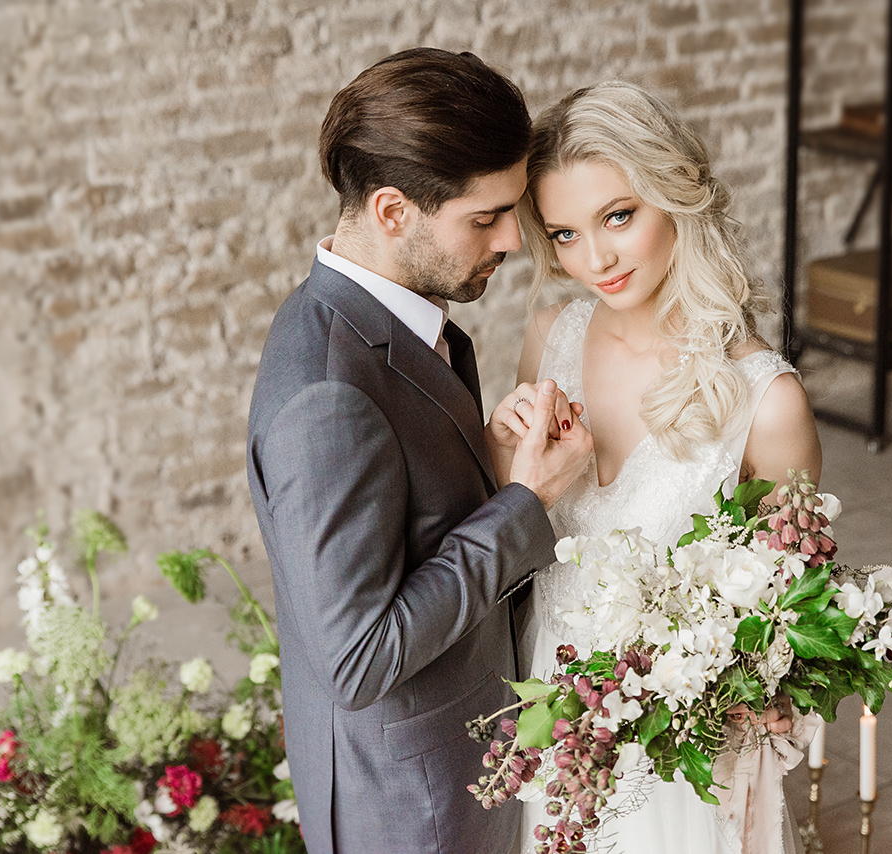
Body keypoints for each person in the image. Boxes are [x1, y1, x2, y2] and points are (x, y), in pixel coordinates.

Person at [245, 48, 592, 854]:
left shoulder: (387, 319)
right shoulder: (326, 395)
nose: (514, 238)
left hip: (458, 760)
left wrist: (490, 467)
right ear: (393, 210)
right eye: (485, 217)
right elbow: (359, 660)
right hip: (416, 807)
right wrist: (527, 502)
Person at [498, 82, 823, 854]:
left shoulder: (765, 401)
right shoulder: (552, 337)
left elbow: (794, 609)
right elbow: (511, 522)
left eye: (618, 216)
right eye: (565, 233)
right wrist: (502, 446)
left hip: (680, 756)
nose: (596, 259)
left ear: (676, 195)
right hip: (548, 711)